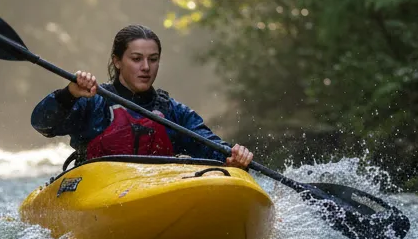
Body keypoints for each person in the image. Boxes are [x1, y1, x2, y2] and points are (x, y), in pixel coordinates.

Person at [31, 24, 254, 168]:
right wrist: (68, 94)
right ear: (117, 61)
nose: (146, 67)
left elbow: (212, 149)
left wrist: (233, 157)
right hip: (98, 194)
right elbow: (42, 124)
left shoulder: (173, 112)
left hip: (153, 194)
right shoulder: (93, 102)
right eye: (136, 59)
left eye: (153, 59)